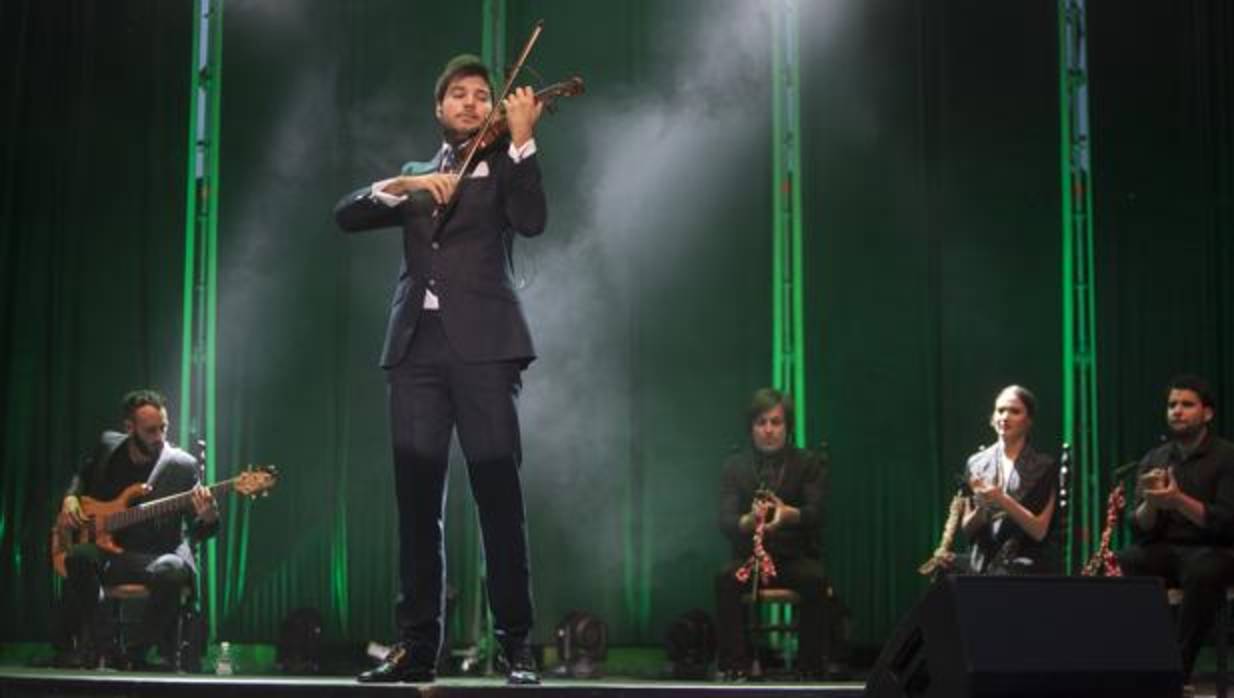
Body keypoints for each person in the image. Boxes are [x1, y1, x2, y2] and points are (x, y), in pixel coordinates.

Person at [334, 54, 545, 685]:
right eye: (460, 94)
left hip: (484, 349)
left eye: (484, 96)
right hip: (416, 351)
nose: (474, 103)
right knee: (417, 506)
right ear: (439, 107)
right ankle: (416, 648)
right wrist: (405, 186)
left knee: (498, 501)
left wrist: (526, 137)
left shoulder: (505, 167)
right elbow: (347, 214)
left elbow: (533, 222)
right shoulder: (417, 175)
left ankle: (517, 647)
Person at [54, 389, 218, 668]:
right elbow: (82, 474)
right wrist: (70, 497)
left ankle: (135, 653)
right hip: (111, 553)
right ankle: (106, 645)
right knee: (77, 557)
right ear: (129, 428)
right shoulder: (108, 445)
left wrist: (209, 516)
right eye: (150, 430)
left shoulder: (181, 465)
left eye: (163, 428)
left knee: (173, 571)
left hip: (155, 555)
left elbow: (199, 531)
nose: (159, 437)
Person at [1117, 374, 1234, 683]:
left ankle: (1177, 672)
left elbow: (1227, 522)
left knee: (1203, 572)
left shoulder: (1226, 456)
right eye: (1172, 405)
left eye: (1186, 405)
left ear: (1207, 413)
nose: (1177, 411)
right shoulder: (1155, 458)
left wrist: (1179, 500)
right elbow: (1139, 528)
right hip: (1168, 550)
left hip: (1215, 549)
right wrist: (1153, 503)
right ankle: (1144, 657)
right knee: (1127, 559)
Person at [714, 388, 830, 680]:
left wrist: (789, 514)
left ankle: (810, 668)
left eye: (775, 422)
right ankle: (735, 666)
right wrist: (747, 522)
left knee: (816, 580)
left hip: (792, 558)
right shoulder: (735, 466)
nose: (768, 430)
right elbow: (725, 520)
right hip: (750, 560)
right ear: (751, 427)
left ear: (787, 427)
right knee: (725, 580)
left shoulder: (808, 463)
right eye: (761, 422)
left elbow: (817, 513)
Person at [961, 384, 1060, 575]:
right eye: (1000, 411)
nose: (1005, 417)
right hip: (982, 563)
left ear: (1028, 420)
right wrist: (982, 509)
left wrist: (1001, 499)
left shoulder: (1044, 466)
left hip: (1025, 563)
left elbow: (1039, 531)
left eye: (1014, 411)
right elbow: (967, 529)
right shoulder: (976, 463)